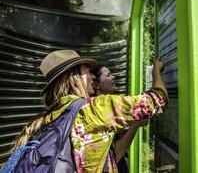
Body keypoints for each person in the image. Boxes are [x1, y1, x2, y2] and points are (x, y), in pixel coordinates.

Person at [11, 50, 168, 173]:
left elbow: (102, 160)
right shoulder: (92, 109)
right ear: (74, 77)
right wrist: (156, 72)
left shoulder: (49, 117)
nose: (93, 76)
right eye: (88, 71)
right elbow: (157, 100)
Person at [92, 65, 148, 172]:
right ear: (96, 85)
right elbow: (115, 155)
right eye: (108, 75)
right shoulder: (100, 110)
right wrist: (135, 124)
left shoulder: (102, 109)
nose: (113, 77)